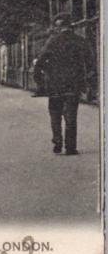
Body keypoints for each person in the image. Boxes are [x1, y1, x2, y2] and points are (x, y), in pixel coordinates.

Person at [35, 14, 95, 155]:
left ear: (58, 27)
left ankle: (57, 141)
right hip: (73, 85)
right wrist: (87, 81)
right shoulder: (80, 41)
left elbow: (39, 63)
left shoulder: (52, 42)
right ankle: (70, 147)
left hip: (55, 85)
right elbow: (91, 64)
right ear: (71, 26)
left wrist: (41, 82)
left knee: (55, 115)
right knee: (71, 116)